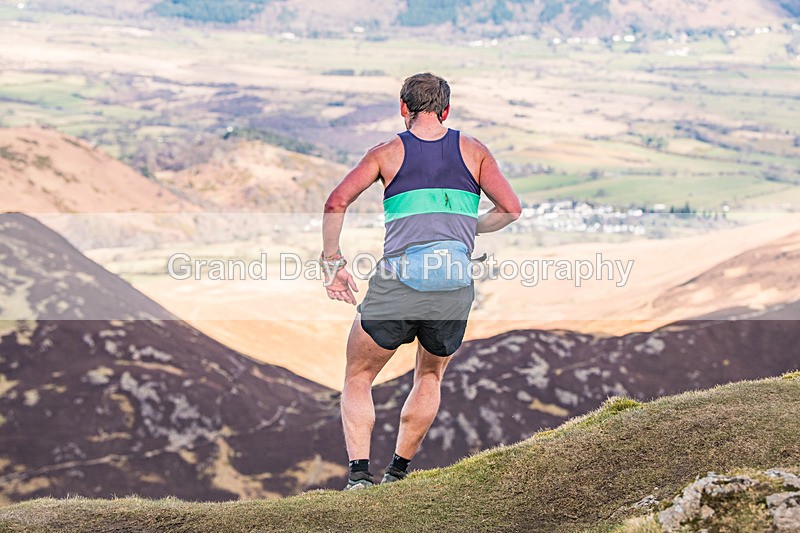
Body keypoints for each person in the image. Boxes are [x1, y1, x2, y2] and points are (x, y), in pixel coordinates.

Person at [320, 72, 521, 489]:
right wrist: (465, 228)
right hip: (454, 285)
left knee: (359, 376)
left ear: (403, 108)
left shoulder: (385, 153)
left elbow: (336, 201)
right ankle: (397, 473)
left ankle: (359, 477)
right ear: (446, 110)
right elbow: (510, 209)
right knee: (429, 376)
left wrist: (333, 261)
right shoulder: (475, 152)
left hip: (398, 282)